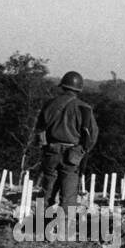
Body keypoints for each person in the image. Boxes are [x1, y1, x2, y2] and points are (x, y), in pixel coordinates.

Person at [36, 71, 98, 209]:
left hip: (51, 151)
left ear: (63, 86)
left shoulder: (50, 104)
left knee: (47, 192)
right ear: (79, 89)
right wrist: (80, 152)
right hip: (72, 155)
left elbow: (39, 130)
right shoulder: (85, 109)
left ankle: (40, 227)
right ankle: (64, 228)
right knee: (69, 197)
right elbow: (92, 137)